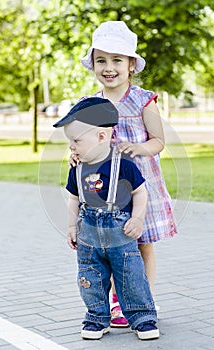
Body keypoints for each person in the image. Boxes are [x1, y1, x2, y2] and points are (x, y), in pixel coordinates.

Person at [71, 20, 178, 327]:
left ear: (131, 65)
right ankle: (119, 303)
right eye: (101, 60)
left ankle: (146, 298)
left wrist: (137, 148)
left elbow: (159, 142)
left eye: (117, 60)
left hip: (139, 184)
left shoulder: (143, 100)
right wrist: (75, 155)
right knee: (115, 245)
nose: (109, 67)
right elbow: (83, 140)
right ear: (93, 65)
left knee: (142, 242)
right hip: (106, 189)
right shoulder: (91, 105)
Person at [53, 97, 159, 340]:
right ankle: (96, 318)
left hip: (120, 233)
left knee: (131, 275)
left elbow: (140, 192)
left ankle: (142, 317)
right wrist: (71, 226)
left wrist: (137, 219)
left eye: (76, 140)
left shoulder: (124, 165)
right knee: (90, 277)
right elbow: (73, 198)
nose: (72, 147)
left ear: (101, 137)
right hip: (88, 233)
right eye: (70, 141)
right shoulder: (77, 167)